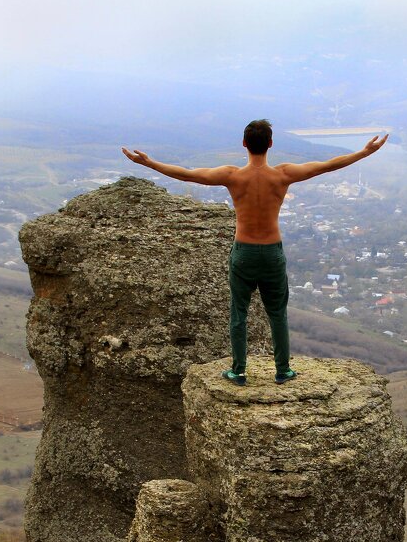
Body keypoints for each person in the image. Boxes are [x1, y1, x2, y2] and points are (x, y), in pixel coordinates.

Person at [123, 119, 388, 386]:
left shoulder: (232, 176)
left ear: (244, 144)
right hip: (272, 253)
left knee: (239, 312)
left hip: (243, 253)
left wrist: (150, 163)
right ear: (270, 144)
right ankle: (283, 370)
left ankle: (238, 371)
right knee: (278, 313)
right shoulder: (283, 175)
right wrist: (364, 152)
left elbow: (188, 174)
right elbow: (327, 165)